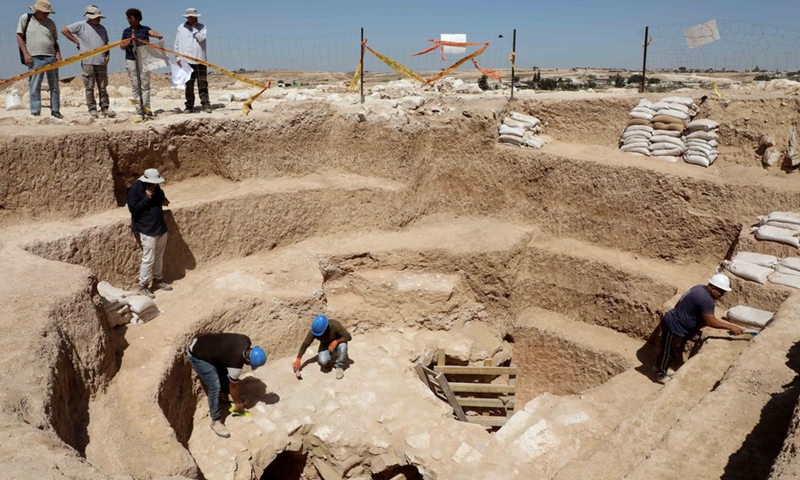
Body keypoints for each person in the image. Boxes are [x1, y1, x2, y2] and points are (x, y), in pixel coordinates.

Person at [655, 273, 744, 384]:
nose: (722, 294)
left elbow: (681, 303)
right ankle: (661, 374)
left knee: (670, 349)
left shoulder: (699, 288)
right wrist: (731, 326)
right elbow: (710, 321)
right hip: (674, 326)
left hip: (676, 324)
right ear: (712, 288)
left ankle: (660, 366)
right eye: (721, 291)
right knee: (669, 352)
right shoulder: (707, 300)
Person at [187, 333, 267, 438]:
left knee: (224, 366)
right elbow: (234, 386)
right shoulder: (236, 362)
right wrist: (238, 404)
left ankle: (224, 396)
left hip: (202, 343)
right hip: (197, 355)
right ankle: (215, 421)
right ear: (247, 360)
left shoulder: (245, 340)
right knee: (214, 386)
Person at [61, 5, 116, 118]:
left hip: (101, 61)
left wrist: (108, 55)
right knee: (89, 86)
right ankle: (92, 109)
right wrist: (77, 42)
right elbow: (64, 30)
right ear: (89, 17)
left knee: (102, 86)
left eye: (99, 17)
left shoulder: (102, 28)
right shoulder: (81, 25)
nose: (98, 19)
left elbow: (106, 43)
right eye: (96, 17)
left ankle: (105, 108)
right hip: (88, 61)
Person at [127, 168, 171, 298]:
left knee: (159, 256)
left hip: (159, 227)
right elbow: (133, 209)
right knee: (148, 259)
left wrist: (164, 200)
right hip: (147, 229)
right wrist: (146, 198)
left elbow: (160, 196)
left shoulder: (155, 187)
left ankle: (157, 280)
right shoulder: (134, 189)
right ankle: (143, 286)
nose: (156, 184)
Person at [17, 0, 62, 118]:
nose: (47, 15)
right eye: (44, 12)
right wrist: (26, 53)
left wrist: (58, 53)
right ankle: (36, 111)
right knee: (34, 85)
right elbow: (19, 36)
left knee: (54, 85)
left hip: (51, 57)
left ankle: (55, 110)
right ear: (37, 11)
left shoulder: (51, 23)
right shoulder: (25, 19)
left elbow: (54, 40)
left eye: (48, 12)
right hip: (35, 57)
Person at [120, 8, 162, 116]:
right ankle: (138, 109)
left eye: (131, 18)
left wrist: (157, 35)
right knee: (135, 85)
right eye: (128, 18)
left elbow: (151, 32)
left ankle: (146, 108)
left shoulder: (144, 29)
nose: (129, 20)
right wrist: (129, 41)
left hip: (144, 59)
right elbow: (122, 46)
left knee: (145, 84)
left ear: (138, 18)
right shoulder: (126, 31)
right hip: (131, 59)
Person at [174, 7, 211, 114]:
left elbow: (202, 39)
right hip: (185, 61)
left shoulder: (202, 27)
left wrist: (194, 29)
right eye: (189, 17)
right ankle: (189, 106)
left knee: (202, 83)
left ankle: (205, 104)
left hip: (200, 59)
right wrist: (177, 57)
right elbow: (177, 43)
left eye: (193, 17)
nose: (190, 19)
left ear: (196, 17)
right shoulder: (181, 27)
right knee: (188, 84)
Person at [292, 315, 352, 380]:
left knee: (343, 347)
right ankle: (329, 359)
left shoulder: (335, 325)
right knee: (323, 361)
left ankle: (339, 366)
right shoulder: (314, 331)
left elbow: (348, 337)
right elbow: (305, 344)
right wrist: (298, 359)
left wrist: (336, 342)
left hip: (338, 343)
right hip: (325, 344)